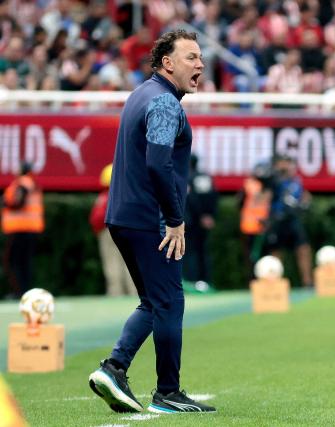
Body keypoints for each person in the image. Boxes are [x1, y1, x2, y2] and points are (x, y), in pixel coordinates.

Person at [88, 29, 216, 414]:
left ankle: (114, 368)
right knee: (171, 301)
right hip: (151, 219)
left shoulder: (142, 93)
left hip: (124, 216)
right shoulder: (164, 102)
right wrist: (175, 219)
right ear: (168, 63)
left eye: (200, 57)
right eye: (191, 57)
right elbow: (159, 164)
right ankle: (167, 393)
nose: (200, 64)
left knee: (155, 301)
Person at [265, 154, 313, 288]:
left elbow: (302, 197)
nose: (287, 166)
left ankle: (307, 282)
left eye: (289, 163)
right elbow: (266, 196)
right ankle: (273, 283)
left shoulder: (296, 181)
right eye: (283, 163)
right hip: (277, 219)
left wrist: (305, 202)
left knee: (303, 248)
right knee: (276, 252)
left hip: (292, 220)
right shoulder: (273, 180)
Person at [89, 164, 136, 296]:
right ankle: (134, 293)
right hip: (128, 231)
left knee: (112, 264)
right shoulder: (129, 195)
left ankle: (115, 293)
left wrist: (98, 230)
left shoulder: (104, 197)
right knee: (130, 263)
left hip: (107, 232)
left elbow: (97, 219)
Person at [1, 162, 44, 299]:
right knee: (25, 263)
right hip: (31, 229)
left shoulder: (23, 183)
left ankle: (19, 293)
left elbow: (18, 202)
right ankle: (25, 292)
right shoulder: (33, 184)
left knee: (11, 262)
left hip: (19, 229)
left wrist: (4, 202)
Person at [184, 154, 218, 286]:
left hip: (191, 221)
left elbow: (196, 199)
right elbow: (213, 196)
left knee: (191, 252)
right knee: (202, 251)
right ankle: (204, 281)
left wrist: (203, 215)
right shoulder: (204, 177)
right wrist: (209, 215)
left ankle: (194, 281)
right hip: (199, 221)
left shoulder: (187, 177)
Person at [239, 162, 272, 281]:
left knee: (264, 255)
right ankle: (252, 281)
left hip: (264, 226)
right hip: (250, 226)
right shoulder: (249, 184)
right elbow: (240, 204)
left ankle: (265, 280)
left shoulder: (270, 186)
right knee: (252, 256)